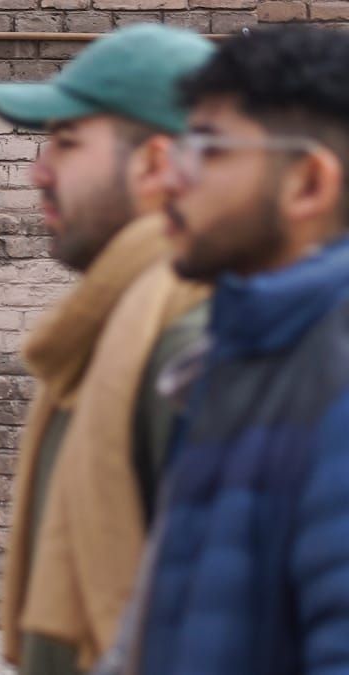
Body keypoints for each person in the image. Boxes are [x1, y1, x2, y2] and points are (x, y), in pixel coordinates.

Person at [0, 25, 214, 674]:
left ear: (156, 164)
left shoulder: (192, 346)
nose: (38, 171)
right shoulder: (110, 331)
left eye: (68, 142)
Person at [119, 26, 349, 675]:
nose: (171, 181)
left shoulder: (335, 367)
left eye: (208, 151)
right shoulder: (236, 356)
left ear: (308, 182)